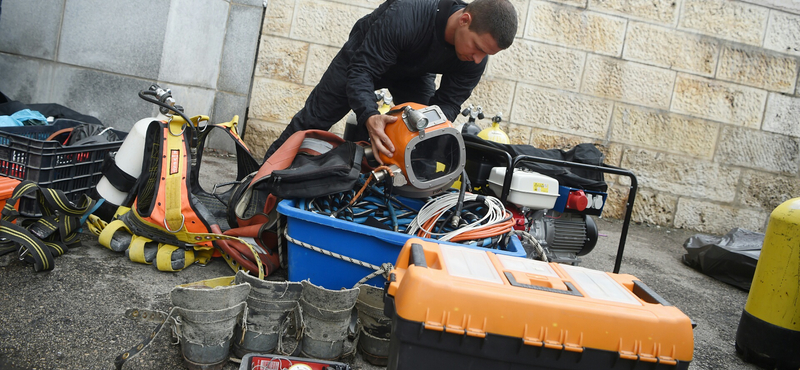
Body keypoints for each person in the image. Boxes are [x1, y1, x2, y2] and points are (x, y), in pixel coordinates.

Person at [264, 0, 517, 163]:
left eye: (486, 55)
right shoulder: (408, 14)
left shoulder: (475, 59)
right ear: (464, 20)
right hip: (363, 58)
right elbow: (362, 71)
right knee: (312, 120)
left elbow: (447, 106)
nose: (477, 60)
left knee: (421, 138)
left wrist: (428, 128)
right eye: (477, 47)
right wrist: (369, 114)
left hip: (414, 74)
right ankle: (254, 188)